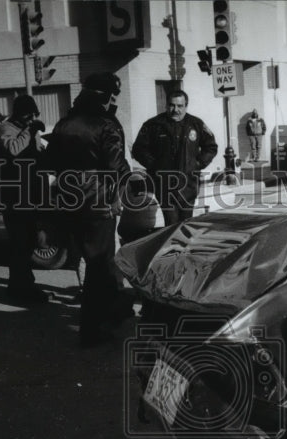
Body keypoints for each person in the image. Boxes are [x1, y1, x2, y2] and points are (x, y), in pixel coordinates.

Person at [50, 72, 131, 346]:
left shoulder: (64, 123)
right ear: (106, 96)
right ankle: (95, 328)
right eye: (113, 96)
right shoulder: (105, 124)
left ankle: (111, 315)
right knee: (100, 264)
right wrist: (120, 192)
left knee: (89, 260)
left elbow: (48, 162)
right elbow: (116, 165)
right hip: (98, 200)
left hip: (69, 200)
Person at [133, 89, 218, 226]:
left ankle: (183, 246)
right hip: (164, 183)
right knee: (171, 223)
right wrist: (155, 165)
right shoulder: (153, 125)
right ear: (166, 105)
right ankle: (173, 247)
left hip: (188, 183)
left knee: (186, 222)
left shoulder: (196, 124)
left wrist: (197, 164)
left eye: (180, 106)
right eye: (172, 105)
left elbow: (211, 146)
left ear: (186, 106)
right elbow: (138, 149)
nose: (175, 110)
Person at [0, 95, 49, 303]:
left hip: (30, 196)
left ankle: (25, 286)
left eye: (35, 115)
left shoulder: (30, 131)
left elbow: (37, 157)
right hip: (14, 198)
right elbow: (14, 150)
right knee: (19, 245)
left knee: (28, 245)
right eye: (30, 115)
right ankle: (19, 290)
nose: (33, 118)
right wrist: (30, 130)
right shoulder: (5, 129)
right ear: (20, 114)